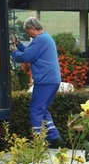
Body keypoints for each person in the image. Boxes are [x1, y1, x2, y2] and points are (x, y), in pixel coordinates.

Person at [11, 17, 63, 148]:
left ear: (33, 28)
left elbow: (27, 56)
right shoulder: (46, 38)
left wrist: (14, 51)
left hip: (44, 81)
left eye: (29, 32)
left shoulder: (40, 39)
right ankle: (54, 137)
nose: (29, 35)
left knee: (35, 110)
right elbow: (31, 52)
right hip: (52, 80)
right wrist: (19, 45)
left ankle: (38, 140)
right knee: (43, 109)